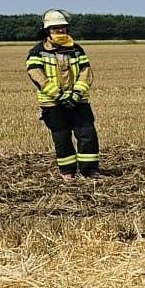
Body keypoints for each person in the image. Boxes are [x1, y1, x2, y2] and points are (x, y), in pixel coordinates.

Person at [26, 9, 100, 178]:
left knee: (87, 134)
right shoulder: (37, 52)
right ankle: (67, 172)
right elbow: (37, 75)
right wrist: (58, 95)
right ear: (47, 31)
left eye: (63, 28)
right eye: (56, 28)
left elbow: (86, 72)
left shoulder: (77, 49)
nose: (60, 31)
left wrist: (76, 94)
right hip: (53, 103)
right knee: (62, 137)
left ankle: (89, 170)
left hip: (78, 101)